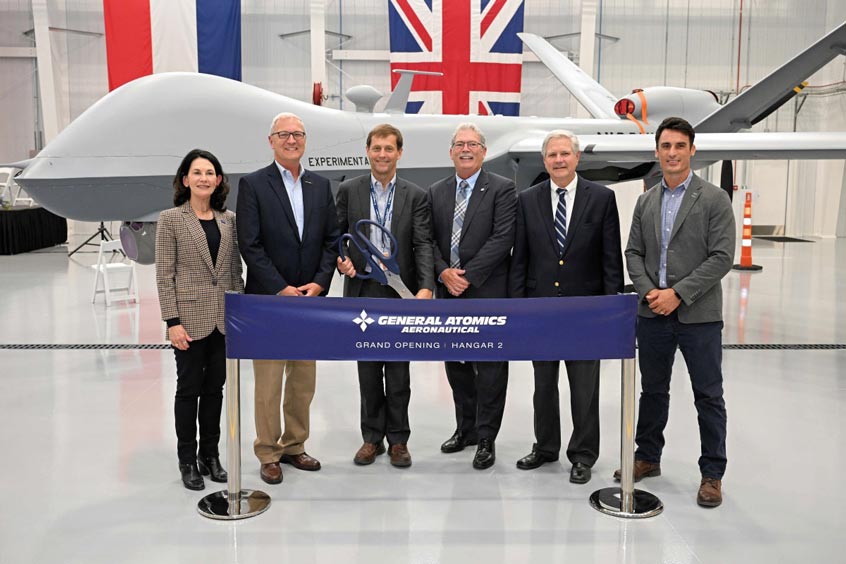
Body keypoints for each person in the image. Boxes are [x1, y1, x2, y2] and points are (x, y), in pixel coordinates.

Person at [621, 116, 736, 507]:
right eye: (665, 146)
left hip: (698, 316)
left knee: (708, 394)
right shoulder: (646, 200)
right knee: (653, 390)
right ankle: (647, 457)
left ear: (692, 150)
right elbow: (633, 252)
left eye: (679, 146)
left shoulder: (714, 199)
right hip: (653, 313)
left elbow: (722, 257)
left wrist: (678, 294)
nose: (672, 153)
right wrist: (651, 291)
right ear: (657, 151)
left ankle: (712, 474)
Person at [508, 130, 623, 484]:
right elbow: (520, 260)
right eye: (552, 155)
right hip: (540, 311)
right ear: (544, 161)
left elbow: (610, 261)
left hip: (585, 313)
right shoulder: (527, 200)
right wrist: (518, 311)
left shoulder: (601, 199)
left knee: (583, 388)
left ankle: (583, 455)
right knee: (543, 385)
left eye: (564, 154)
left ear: (577, 158)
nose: (558, 160)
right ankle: (545, 447)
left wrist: (610, 314)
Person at [236, 112, 340, 484]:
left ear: (305, 140)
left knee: (302, 379)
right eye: (284, 134)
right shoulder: (253, 185)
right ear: (271, 141)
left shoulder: (320, 185)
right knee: (268, 382)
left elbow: (332, 239)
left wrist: (319, 282)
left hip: (308, 299)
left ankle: (295, 445)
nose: (291, 140)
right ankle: (268, 451)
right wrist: (280, 286)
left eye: (297, 134)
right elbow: (250, 243)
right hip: (269, 300)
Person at [336, 123, 434, 468]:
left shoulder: (416, 195)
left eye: (389, 149)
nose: (382, 154)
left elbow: (422, 243)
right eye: (376, 148)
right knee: (367, 369)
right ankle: (371, 439)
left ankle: (399, 440)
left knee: (398, 370)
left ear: (399, 153)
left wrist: (425, 287)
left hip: (400, 293)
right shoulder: (349, 190)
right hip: (362, 289)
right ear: (368, 151)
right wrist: (342, 262)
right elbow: (339, 237)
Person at [427, 123, 517, 470]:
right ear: (451, 152)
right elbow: (428, 240)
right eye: (459, 144)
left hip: (487, 292)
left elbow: (503, 237)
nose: (466, 149)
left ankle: (485, 438)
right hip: (448, 292)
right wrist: (443, 272)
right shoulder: (435, 191)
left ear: (484, 151)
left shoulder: (502, 189)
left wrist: (468, 275)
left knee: (491, 368)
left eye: (473, 144)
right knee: (457, 366)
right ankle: (464, 429)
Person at [155, 148, 244, 490]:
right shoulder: (171, 219)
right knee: (188, 389)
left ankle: (211, 455)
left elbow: (235, 270)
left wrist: (239, 313)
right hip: (188, 320)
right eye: (198, 172)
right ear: (185, 179)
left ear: (219, 180)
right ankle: (187, 460)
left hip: (224, 319)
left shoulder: (229, 219)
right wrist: (171, 321)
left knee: (215, 390)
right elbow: (165, 274)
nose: (204, 178)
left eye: (210, 172)